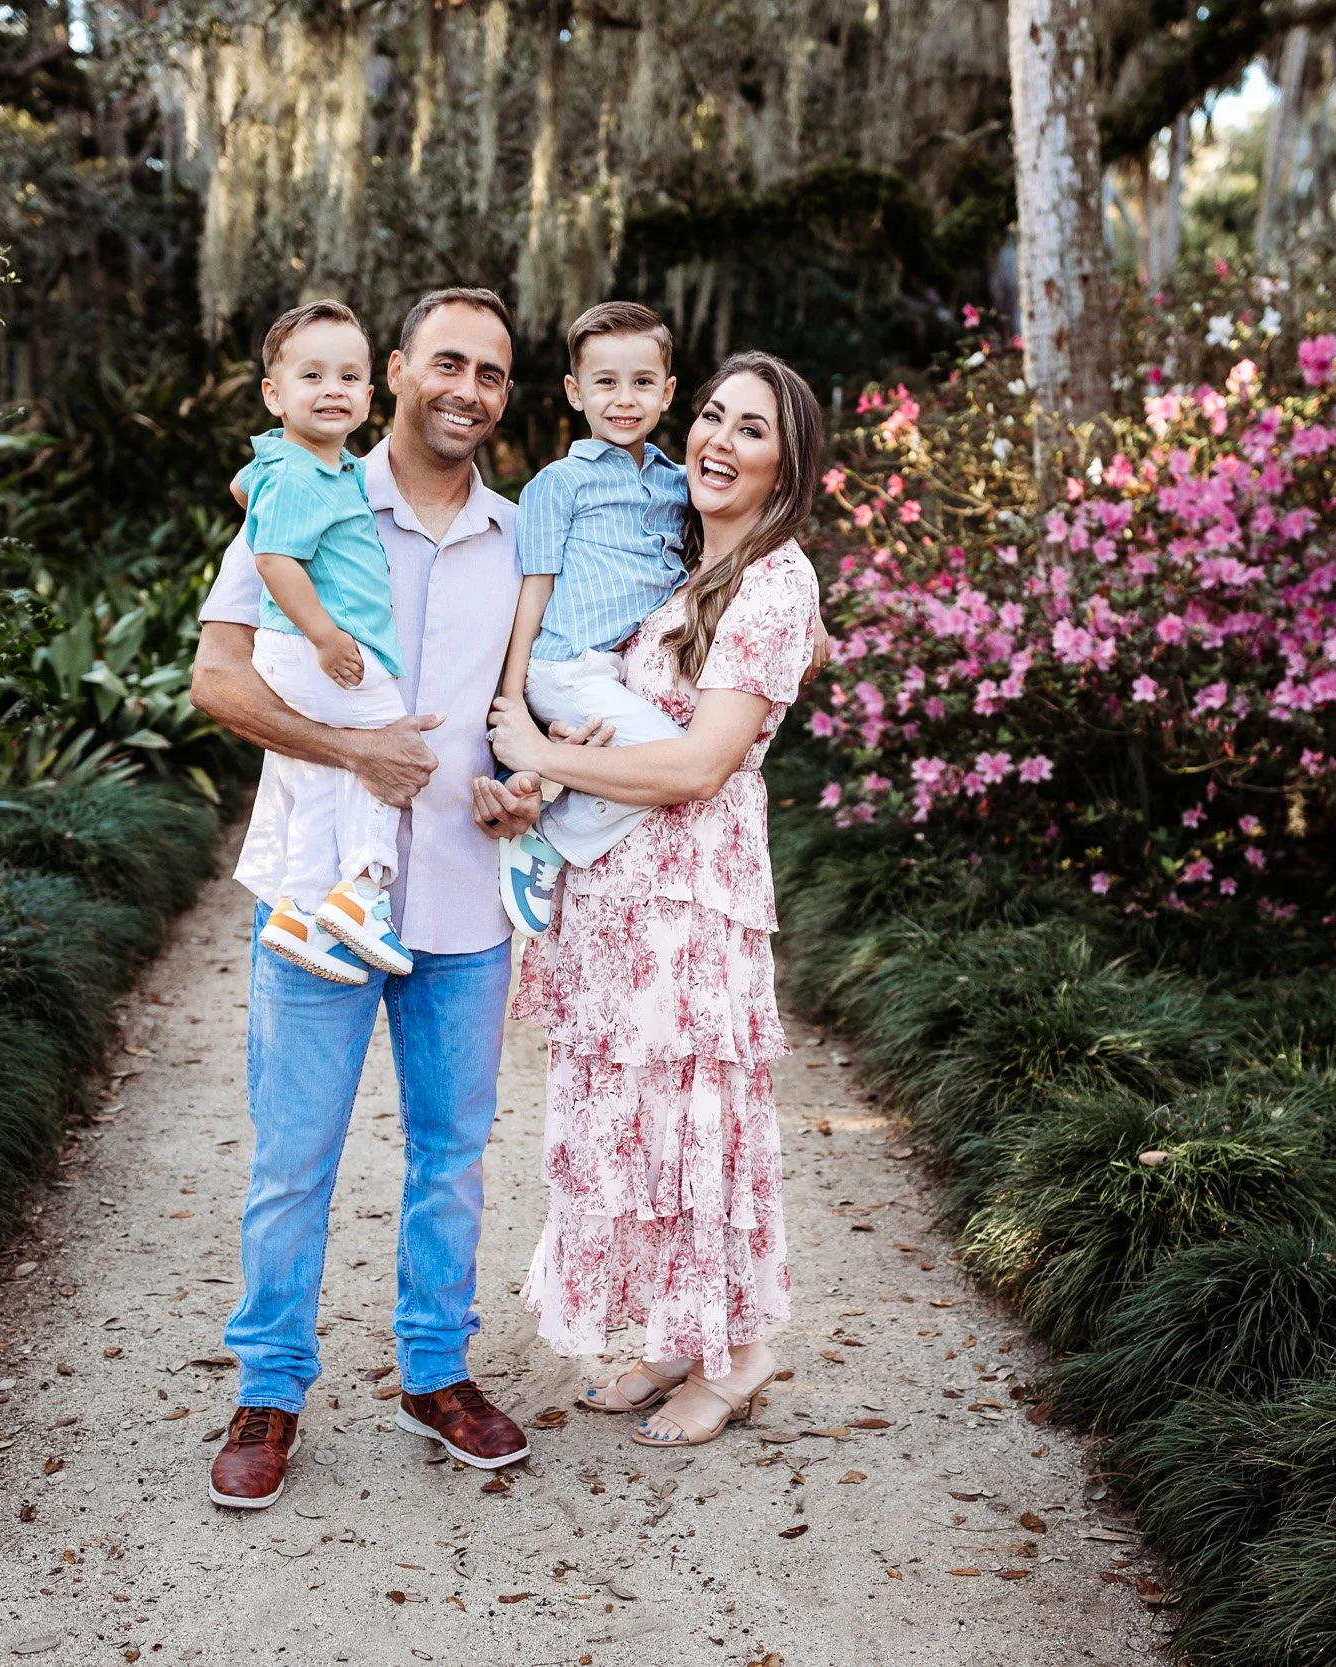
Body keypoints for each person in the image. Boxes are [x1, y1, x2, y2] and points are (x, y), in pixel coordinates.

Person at [188, 288, 550, 1510]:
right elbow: (218, 680)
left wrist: (521, 784)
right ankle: (270, 1387)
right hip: (317, 890)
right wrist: (353, 753)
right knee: (296, 1157)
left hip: (465, 900)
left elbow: (527, 713)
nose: (468, 388)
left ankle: (435, 1371)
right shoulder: (305, 492)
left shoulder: (516, 538)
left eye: (492, 373)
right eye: (446, 362)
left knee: (451, 1156)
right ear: (395, 370)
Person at [488, 350, 826, 1448]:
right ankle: (679, 1335)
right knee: (633, 1134)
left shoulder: (774, 581)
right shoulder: (681, 567)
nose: (719, 442)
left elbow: (694, 769)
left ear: (786, 466)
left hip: (692, 904)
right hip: (621, 905)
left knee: (696, 1129)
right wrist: (552, 761)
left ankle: (736, 1356)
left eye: (751, 431)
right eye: (714, 417)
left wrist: (542, 748)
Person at [493, 300, 693, 935]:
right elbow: (533, 590)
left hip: (616, 669)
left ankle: (568, 806)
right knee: (676, 760)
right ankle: (549, 840)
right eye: (605, 382)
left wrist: (814, 610)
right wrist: (513, 698)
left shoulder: (677, 483)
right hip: (562, 666)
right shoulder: (559, 485)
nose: (624, 399)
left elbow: (748, 532)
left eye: (641, 383)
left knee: (660, 763)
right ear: (576, 393)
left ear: (667, 391)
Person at [236, 300, 414, 982]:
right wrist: (326, 635)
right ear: (274, 395)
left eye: (347, 377)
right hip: (314, 648)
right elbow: (275, 559)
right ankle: (364, 890)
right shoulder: (302, 471)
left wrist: (261, 488)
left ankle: (298, 908)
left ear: (372, 395)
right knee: (394, 752)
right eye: (311, 376)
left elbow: (244, 487)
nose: (331, 389)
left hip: (296, 648)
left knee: (319, 775)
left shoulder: (304, 467)